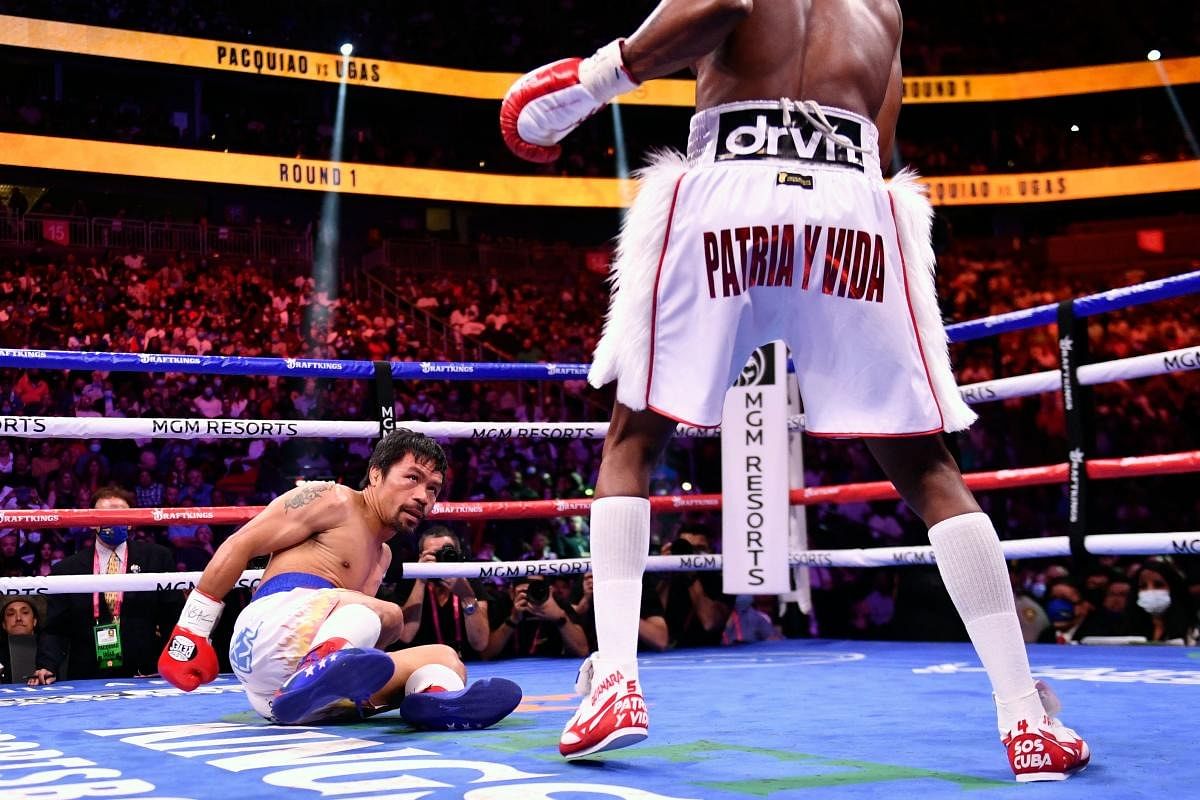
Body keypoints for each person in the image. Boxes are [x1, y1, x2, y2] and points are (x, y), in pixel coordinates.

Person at [500, 0, 1089, 779]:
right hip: (853, 206)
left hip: (732, 188)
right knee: (928, 467)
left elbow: (722, 6)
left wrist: (594, 79)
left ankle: (614, 677)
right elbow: (880, 138)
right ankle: (1024, 717)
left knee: (633, 437)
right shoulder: (886, 6)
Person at [157, 429, 522, 729]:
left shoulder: (384, 555)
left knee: (445, 660)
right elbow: (241, 543)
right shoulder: (332, 499)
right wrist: (190, 632)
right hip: (270, 629)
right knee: (385, 616)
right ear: (376, 473)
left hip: (276, 699)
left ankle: (432, 703)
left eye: (432, 489)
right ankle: (314, 674)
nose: (422, 496)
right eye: (412, 478)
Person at [30, 486, 178, 683]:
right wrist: (47, 665)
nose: (113, 520)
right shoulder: (67, 569)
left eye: (119, 513)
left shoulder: (157, 558)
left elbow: (172, 616)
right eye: (105, 514)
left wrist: (178, 661)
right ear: (92, 522)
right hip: (88, 674)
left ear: (132, 521)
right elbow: (56, 627)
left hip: (145, 671)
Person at [396, 526, 492, 659]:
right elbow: (406, 635)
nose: (441, 559)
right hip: (423, 662)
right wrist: (420, 580)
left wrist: (466, 597)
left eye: (447, 553)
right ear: (421, 557)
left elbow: (480, 643)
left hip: (465, 661)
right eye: (434, 555)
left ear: (457, 554)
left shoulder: (469, 579)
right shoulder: (410, 580)